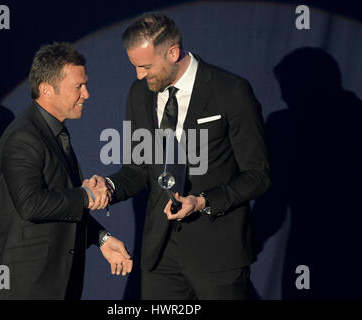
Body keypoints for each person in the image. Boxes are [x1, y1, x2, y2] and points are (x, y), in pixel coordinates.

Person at [91, 13, 271, 299]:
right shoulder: (140, 93)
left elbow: (258, 175)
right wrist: (110, 187)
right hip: (160, 256)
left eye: (146, 66)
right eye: (135, 66)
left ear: (173, 52)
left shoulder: (230, 91)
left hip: (218, 255)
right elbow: (138, 170)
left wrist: (203, 201)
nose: (139, 75)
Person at [0, 42, 132, 300]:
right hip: (25, 287)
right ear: (47, 90)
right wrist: (86, 196)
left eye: (85, 85)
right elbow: (31, 204)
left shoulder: (55, 133)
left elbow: (61, 206)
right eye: (78, 87)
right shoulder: (23, 137)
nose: (86, 94)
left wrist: (103, 239)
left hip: (57, 283)